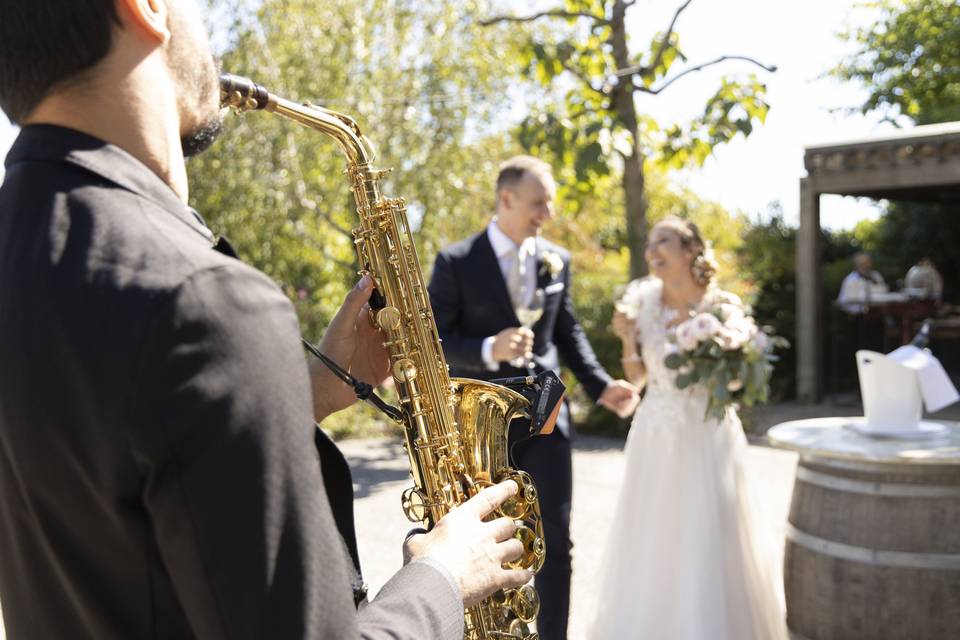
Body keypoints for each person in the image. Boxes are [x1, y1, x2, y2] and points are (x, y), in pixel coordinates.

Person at [0, 1, 532, 638]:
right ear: (144, 9)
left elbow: (105, 473)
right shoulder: (199, 301)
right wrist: (444, 575)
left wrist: (291, 395)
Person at [427, 155, 639, 639]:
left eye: (550, 202)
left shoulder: (556, 259)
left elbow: (568, 332)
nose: (547, 213)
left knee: (556, 543)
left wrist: (602, 386)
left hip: (547, 413)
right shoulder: (456, 262)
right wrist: (488, 348)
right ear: (506, 200)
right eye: (539, 202)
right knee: (484, 543)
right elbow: (435, 340)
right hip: (483, 427)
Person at [588, 217, 788, 640]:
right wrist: (626, 340)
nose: (652, 250)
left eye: (663, 241)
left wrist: (731, 362)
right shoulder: (642, 301)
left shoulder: (723, 308)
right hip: (656, 433)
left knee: (712, 532)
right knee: (655, 537)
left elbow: (737, 382)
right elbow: (640, 379)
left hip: (710, 432)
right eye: (649, 242)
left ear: (690, 250)